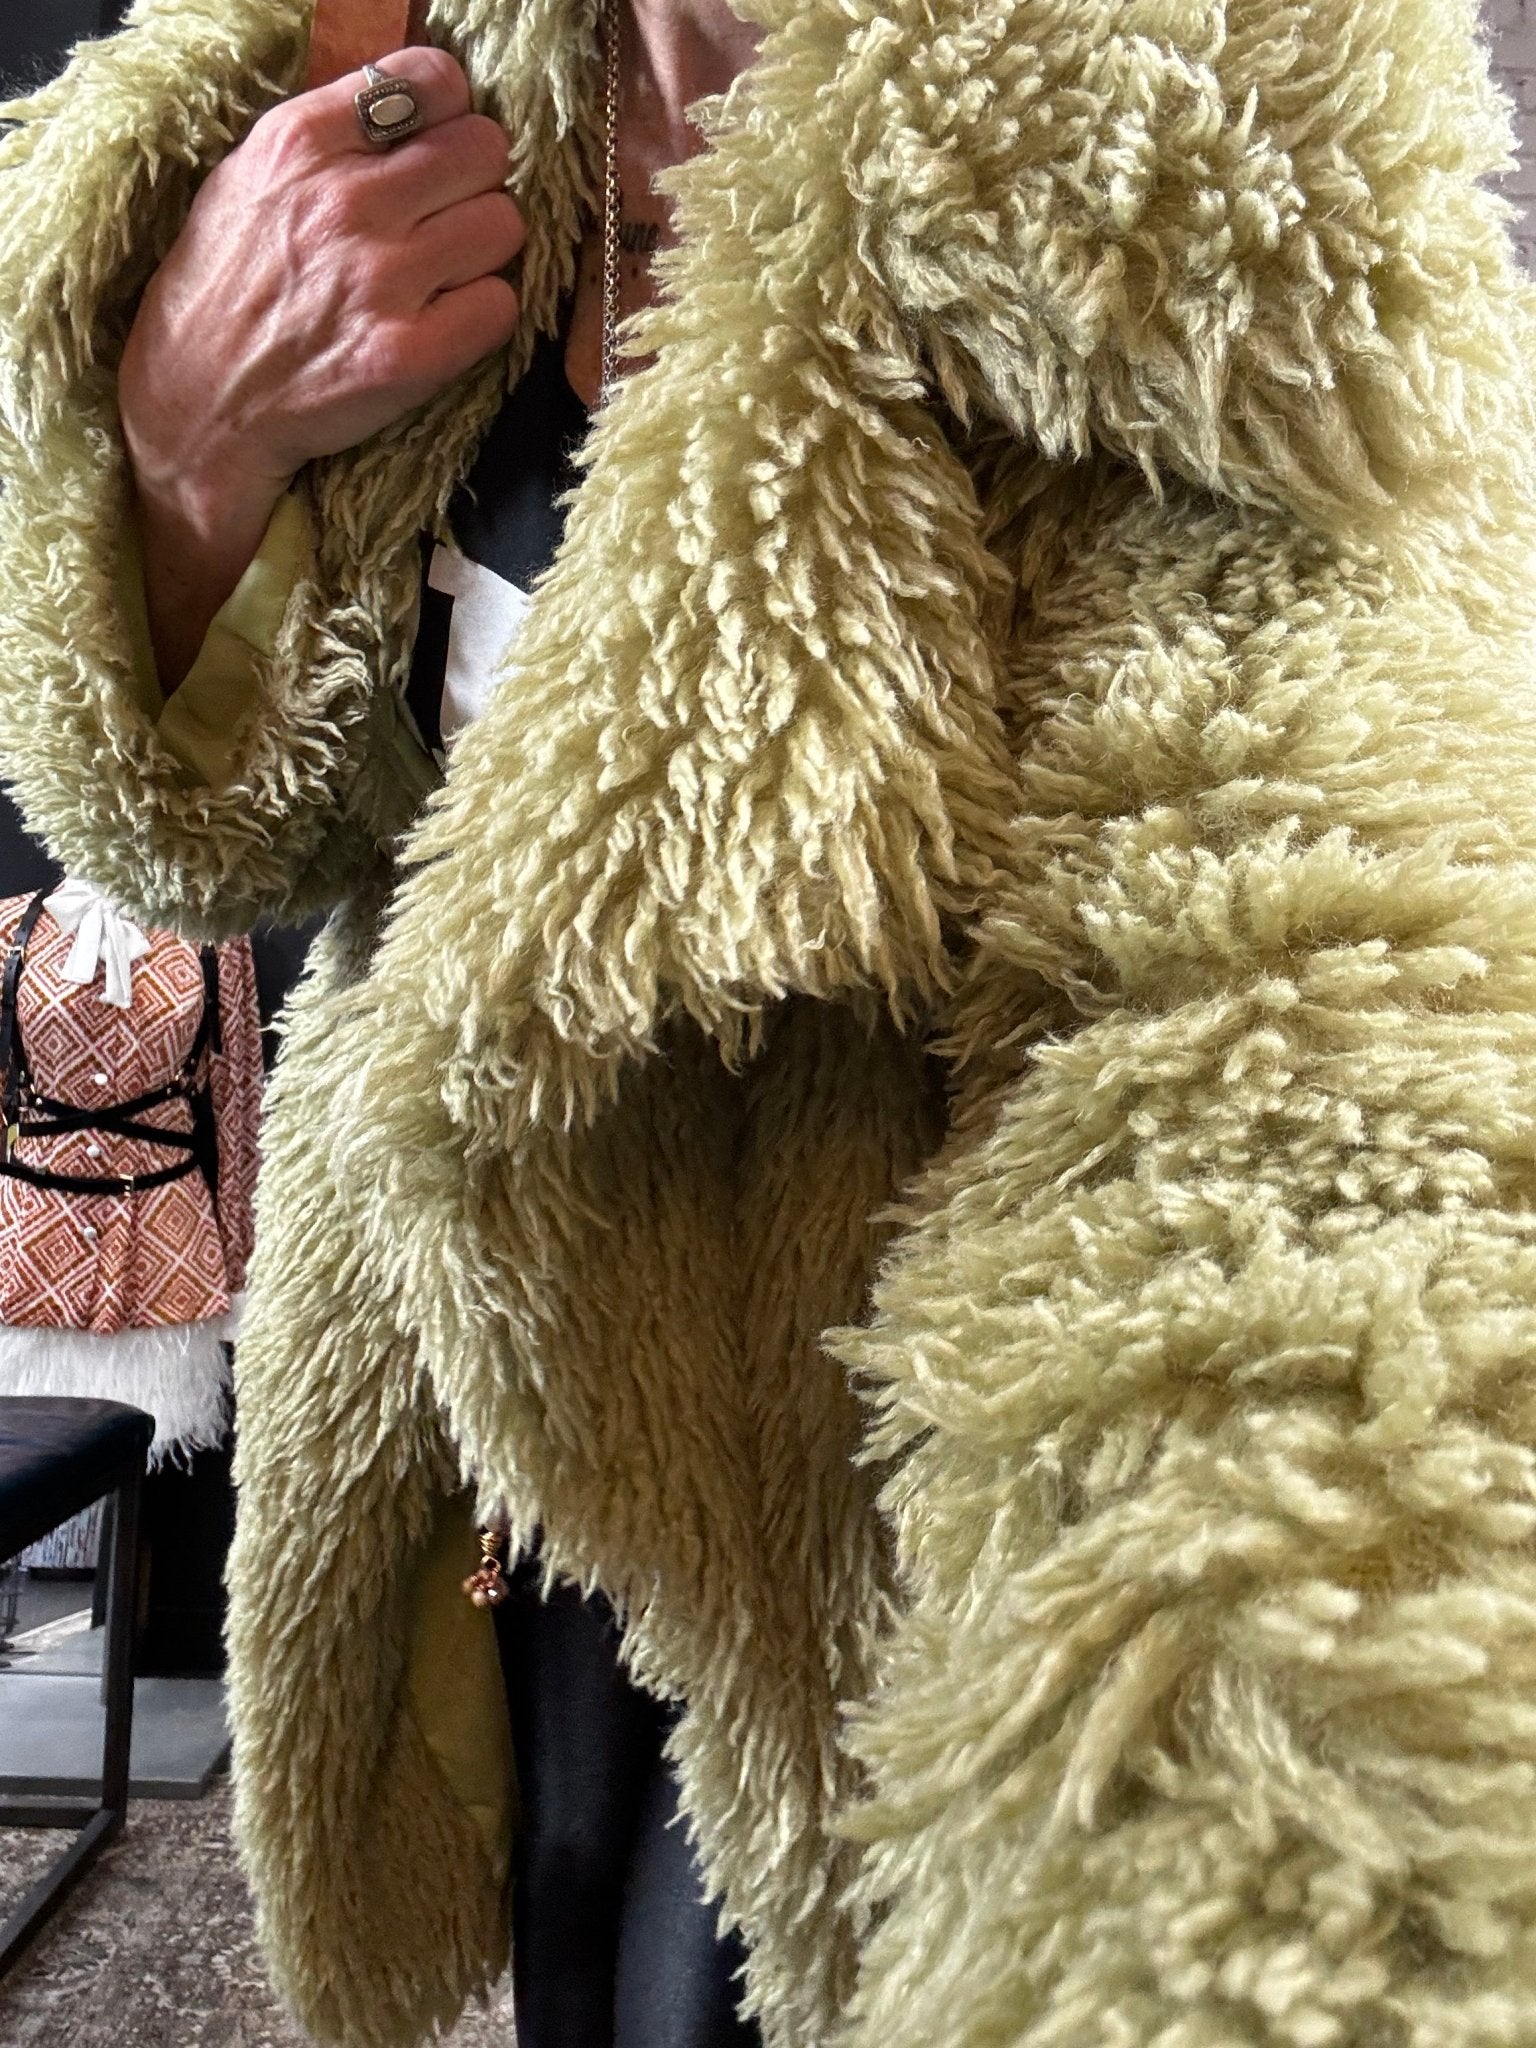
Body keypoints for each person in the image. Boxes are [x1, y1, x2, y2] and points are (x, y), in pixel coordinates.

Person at [5, 1, 1536, 2045]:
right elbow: (242, 837)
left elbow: (1307, 983)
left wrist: (1257, 1734)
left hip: (912, 1490)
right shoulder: (380, 70)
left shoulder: (1190, 150)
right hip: (517, 1424)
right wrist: (191, 451)